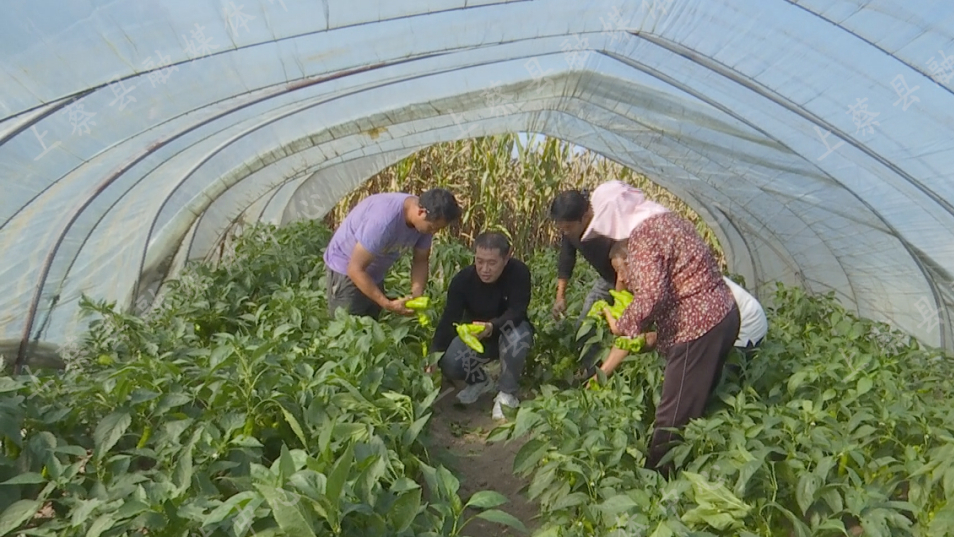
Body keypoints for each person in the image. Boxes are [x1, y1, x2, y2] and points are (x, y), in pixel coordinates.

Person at [582, 180, 741, 478]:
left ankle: (657, 484)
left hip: (697, 326)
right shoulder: (664, 219)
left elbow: (654, 293)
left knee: (672, 414)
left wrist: (626, 324)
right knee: (697, 404)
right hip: (722, 315)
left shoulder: (643, 235)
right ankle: (700, 470)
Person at [598, 241, 768, 385]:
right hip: (724, 316)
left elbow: (628, 331)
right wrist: (600, 376)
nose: (620, 278)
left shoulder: (661, 282)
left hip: (744, 324)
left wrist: (607, 311)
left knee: (712, 384)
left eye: (621, 270)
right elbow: (631, 334)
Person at [431, 232, 534, 420]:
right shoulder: (463, 281)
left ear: (507, 257)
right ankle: (479, 381)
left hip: (509, 331)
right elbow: (449, 318)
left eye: (492, 263)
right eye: (479, 261)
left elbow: (517, 311)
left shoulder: (519, 273)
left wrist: (491, 326)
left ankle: (507, 393)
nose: (484, 269)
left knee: (518, 337)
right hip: (476, 338)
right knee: (450, 362)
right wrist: (433, 354)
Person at [323, 188, 461, 319]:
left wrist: (416, 294)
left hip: (374, 271)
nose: (433, 232)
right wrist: (386, 303)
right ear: (421, 212)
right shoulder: (383, 222)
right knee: (348, 327)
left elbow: (421, 260)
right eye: (432, 228)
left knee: (370, 326)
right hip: (346, 268)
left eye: (437, 229)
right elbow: (355, 269)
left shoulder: (426, 223)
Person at [548, 190, 618, 372]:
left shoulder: (608, 228)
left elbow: (626, 270)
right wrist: (560, 297)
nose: (565, 232)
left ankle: (617, 373)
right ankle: (593, 374)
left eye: (568, 227)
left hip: (632, 281)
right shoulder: (569, 229)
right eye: (561, 228)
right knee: (584, 328)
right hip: (607, 278)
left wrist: (620, 304)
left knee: (628, 331)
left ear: (587, 215)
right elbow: (566, 258)